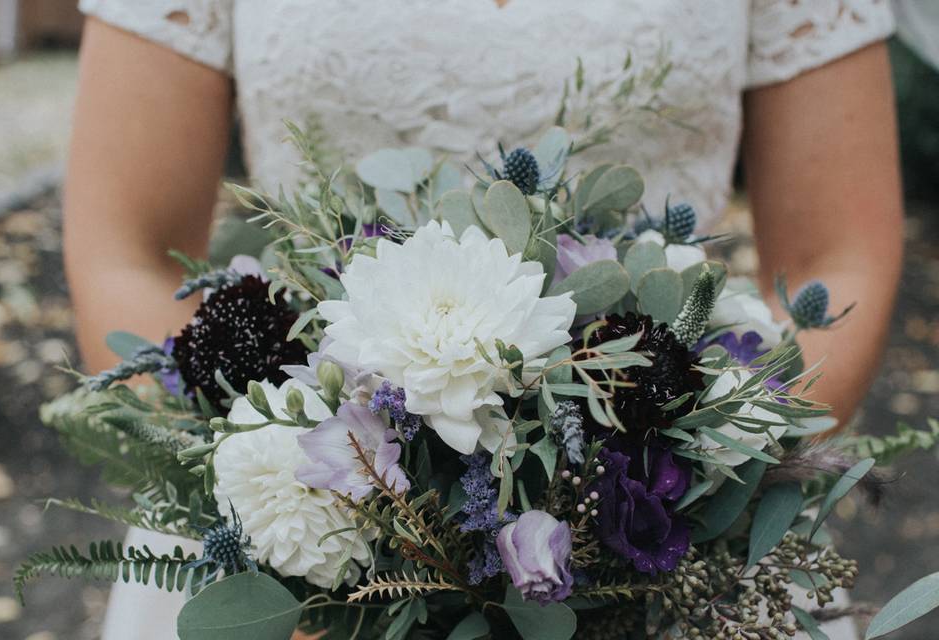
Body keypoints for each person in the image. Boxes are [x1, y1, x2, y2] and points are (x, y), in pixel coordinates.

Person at [62, 1, 903, 638]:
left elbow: (840, 257)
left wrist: (672, 526)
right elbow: (127, 252)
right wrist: (314, 569)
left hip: (672, 552)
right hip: (287, 544)